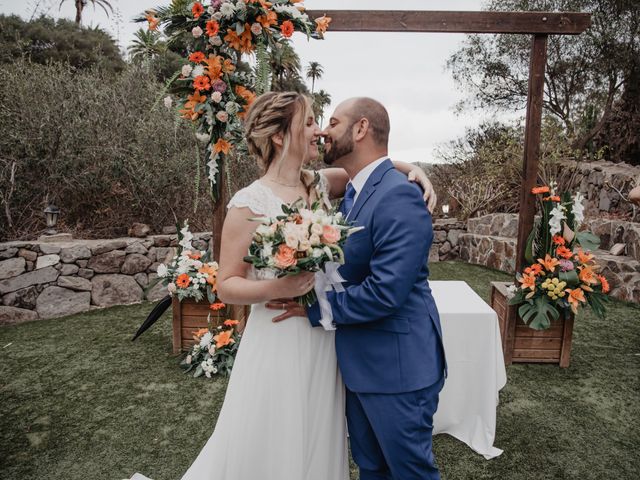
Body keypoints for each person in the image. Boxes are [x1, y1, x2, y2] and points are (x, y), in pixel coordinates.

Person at [129, 91, 436, 480]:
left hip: (325, 339)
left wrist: (415, 170)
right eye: (309, 122)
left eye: (322, 123)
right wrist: (278, 289)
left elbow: (373, 168)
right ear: (279, 135)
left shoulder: (320, 184)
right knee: (274, 433)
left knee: (317, 431)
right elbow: (226, 285)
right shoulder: (248, 203)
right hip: (279, 333)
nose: (319, 132)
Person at [270, 97, 446, 480]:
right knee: (372, 468)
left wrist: (317, 309)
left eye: (333, 122)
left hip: (398, 368)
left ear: (361, 129)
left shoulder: (398, 195)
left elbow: (386, 291)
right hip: (362, 365)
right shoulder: (353, 193)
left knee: (410, 472)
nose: (324, 131)